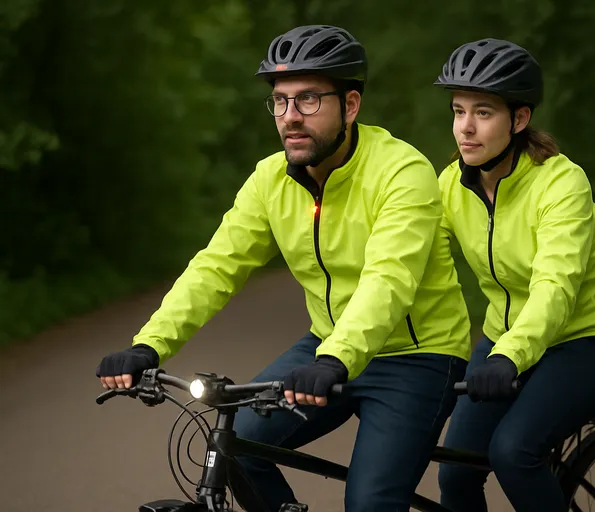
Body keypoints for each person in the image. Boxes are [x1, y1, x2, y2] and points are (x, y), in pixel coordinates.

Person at [95, 25, 471, 512]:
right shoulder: (269, 179)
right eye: (280, 102)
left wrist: (335, 359)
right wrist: (149, 343)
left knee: (371, 502)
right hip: (325, 347)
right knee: (238, 450)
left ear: (350, 106)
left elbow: (389, 279)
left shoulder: (401, 172)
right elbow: (216, 267)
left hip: (416, 357)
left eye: (309, 100)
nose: (290, 117)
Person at [432, 38, 595, 512]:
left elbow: (554, 287)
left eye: (483, 112)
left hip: (586, 341)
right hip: (505, 341)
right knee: (456, 469)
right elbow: (413, 271)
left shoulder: (561, 183)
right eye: (458, 110)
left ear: (519, 120)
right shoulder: (449, 185)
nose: (465, 127)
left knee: (512, 452)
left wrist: (508, 358)